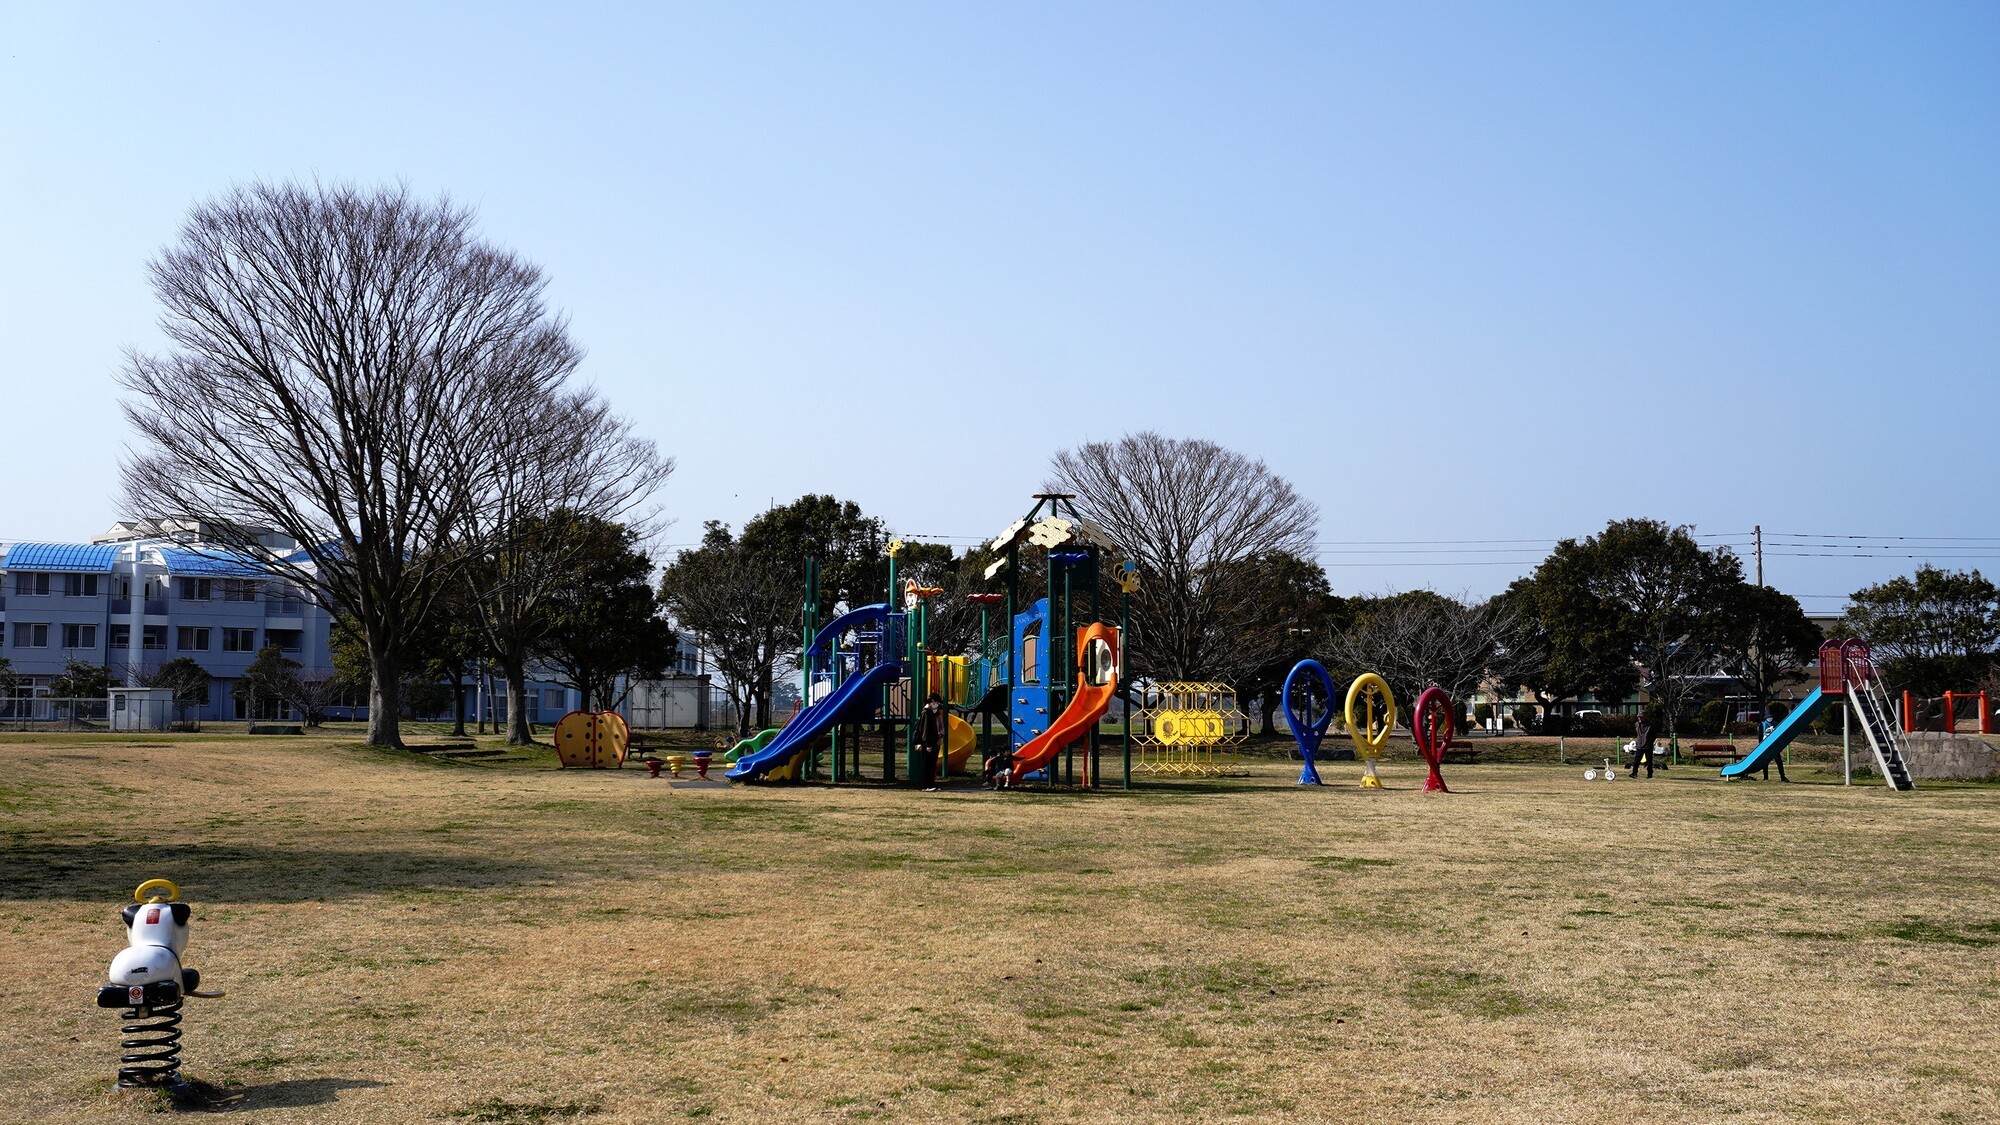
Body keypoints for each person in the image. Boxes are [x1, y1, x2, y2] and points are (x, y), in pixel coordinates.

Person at [914, 692, 945, 789]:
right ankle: (926, 785)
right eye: (937, 702)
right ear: (933, 702)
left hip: (931, 743)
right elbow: (926, 731)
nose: (938, 705)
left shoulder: (930, 713)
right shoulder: (927, 713)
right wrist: (928, 745)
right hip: (928, 743)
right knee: (927, 764)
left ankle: (930, 783)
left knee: (931, 765)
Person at [1759, 710, 1789, 782]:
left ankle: (1782, 776)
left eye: (1771, 717)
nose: (1770, 718)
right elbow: (1760, 736)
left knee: (1779, 761)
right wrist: (1760, 746)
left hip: (1774, 746)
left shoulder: (1775, 724)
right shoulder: (1762, 724)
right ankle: (1765, 777)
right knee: (1765, 762)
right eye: (1768, 717)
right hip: (1765, 746)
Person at [1629, 712, 1656, 778]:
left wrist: (1650, 742)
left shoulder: (1650, 726)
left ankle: (1650, 775)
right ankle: (1634, 773)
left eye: (1641, 717)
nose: (1639, 718)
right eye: (1638, 717)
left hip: (1648, 746)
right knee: (1636, 761)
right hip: (1639, 746)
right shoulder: (1636, 724)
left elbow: (1654, 735)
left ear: (1645, 717)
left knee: (1649, 762)